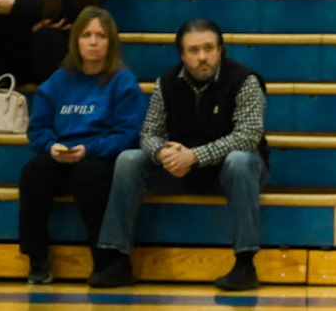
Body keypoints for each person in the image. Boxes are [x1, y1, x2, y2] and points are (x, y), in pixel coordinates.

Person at [96, 19, 271, 292]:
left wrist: (195, 156)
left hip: (230, 171)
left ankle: (245, 264)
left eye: (209, 48)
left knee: (239, 160)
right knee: (129, 160)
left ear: (220, 50)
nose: (202, 57)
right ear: (182, 55)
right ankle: (116, 259)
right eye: (194, 50)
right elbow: (149, 134)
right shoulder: (166, 82)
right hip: (180, 168)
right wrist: (163, 153)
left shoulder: (245, 81)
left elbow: (247, 137)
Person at [17, 8, 144, 285]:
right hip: (62, 154)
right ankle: (36, 258)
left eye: (101, 36)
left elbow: (127, 134)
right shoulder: (58, 81)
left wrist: (90, 149)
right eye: (86, 35)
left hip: (102, 157)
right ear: (76, 41)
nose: (93, 42)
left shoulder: (123, 82)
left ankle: (106, 261)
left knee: (87, 176)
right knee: (33, 173)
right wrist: (51, 147)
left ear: (111, 42)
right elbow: (37, 129)